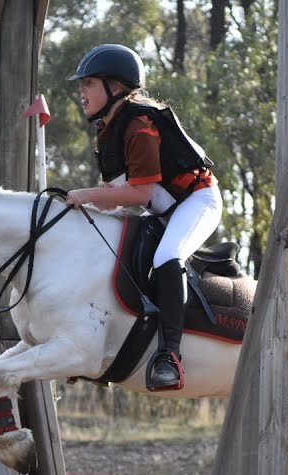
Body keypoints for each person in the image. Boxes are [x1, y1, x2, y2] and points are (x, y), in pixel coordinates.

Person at [64, 43, 222, 392]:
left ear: (115, 87)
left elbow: (140, 194)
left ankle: (170, 356)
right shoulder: (109, 130)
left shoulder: (139, 124)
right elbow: (115, 198)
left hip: (197, 201)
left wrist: (86, 195)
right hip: (161, 208)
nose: (81, 92)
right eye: (82, 85)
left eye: (88, 83)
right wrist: (78, 207)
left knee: (167, 256)